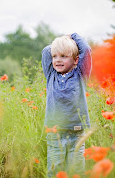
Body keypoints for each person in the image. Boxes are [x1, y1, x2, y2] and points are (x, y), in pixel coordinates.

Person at [42, 33, 92, 177]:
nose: (58, 60)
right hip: (54, 133)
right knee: (54, 170)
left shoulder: (80, 75)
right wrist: (61, 42)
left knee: (76, 171)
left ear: (76, 60)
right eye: (55, 56)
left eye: (64, 56)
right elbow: (46, 52)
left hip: (76, 133)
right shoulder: (51, 74)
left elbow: (86, 50)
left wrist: (72, 37)